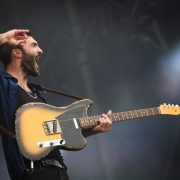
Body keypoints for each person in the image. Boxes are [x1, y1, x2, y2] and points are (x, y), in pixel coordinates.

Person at [0, 29, 112, 180]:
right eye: (34, 45)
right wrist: (4, 38)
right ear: (17, 53)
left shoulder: (37, 94)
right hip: (33, 174)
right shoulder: (4, 88)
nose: (40, 50)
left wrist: (93, 130)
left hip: (59, 172)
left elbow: (56, 138)